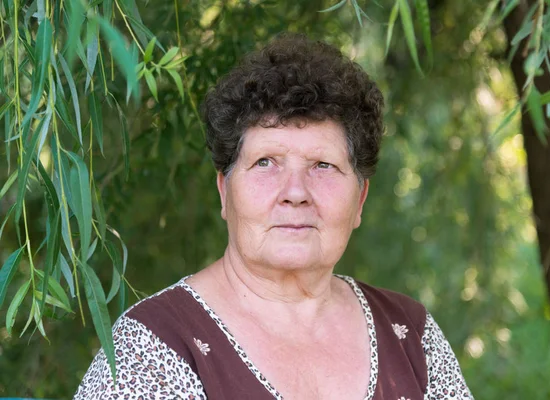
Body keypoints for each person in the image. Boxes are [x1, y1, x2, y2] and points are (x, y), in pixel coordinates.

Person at [74, 34, 473, 400]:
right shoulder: (152, 350)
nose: (295, 193)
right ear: (225, 191)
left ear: (360, 200)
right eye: (266, 162)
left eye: (323, 165)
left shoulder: (411, 337)